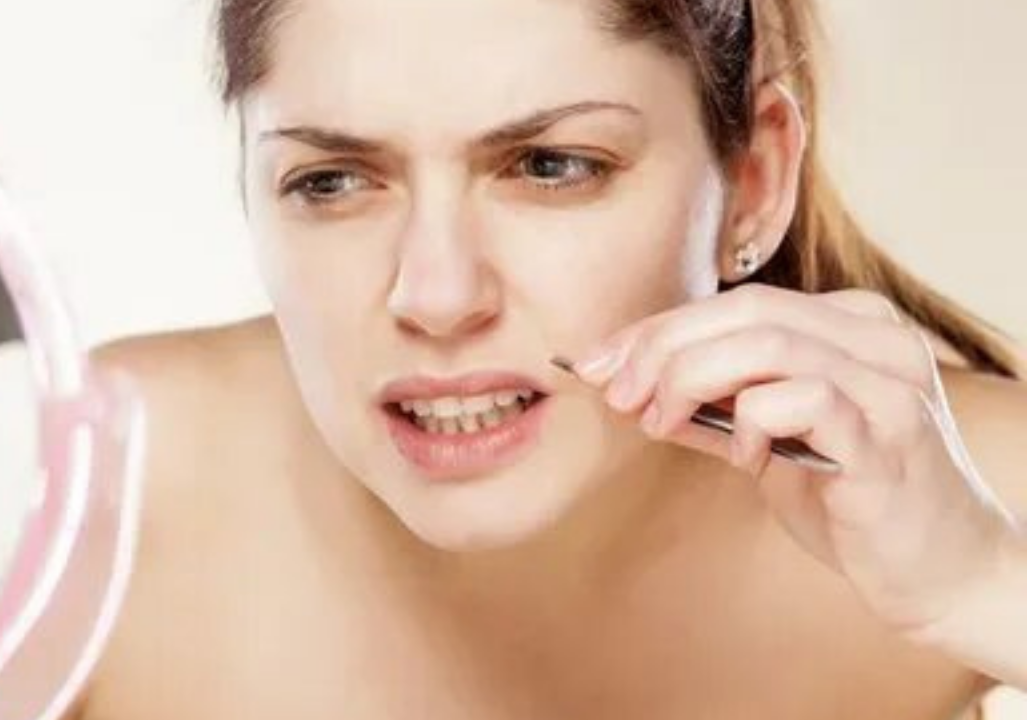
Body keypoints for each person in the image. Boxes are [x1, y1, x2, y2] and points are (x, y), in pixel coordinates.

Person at [66, 0, 1027, 717]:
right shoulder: (86, 500)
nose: (437, 295)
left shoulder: (976, 500)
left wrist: (983, 589)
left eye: (551, 166)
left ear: (754, 184)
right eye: (332, 180)